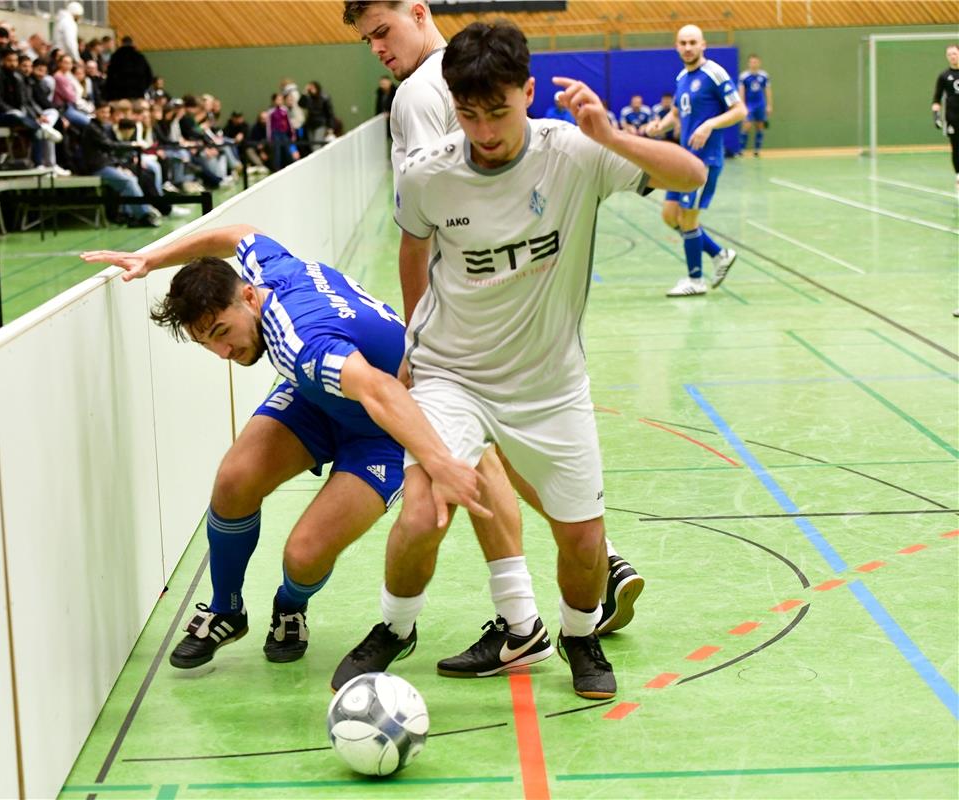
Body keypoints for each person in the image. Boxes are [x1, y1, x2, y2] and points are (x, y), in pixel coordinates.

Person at [330, 20, 705, 699]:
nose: (485, 131)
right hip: (454, 373)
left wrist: (612, 137)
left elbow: (693, 174)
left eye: (498, 111)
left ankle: (580, 635)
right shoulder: (427, 175)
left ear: (529, 91)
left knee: (585, 541)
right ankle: (395, 626)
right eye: (468, 114)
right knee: (422, 510)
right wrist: (413, 344)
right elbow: (413, 249)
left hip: (551, 383)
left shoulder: (577, 153)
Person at [79, 227, 487, 668]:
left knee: (303, 555)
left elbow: (384, 392)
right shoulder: (270, 271)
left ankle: (290, 606)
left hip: (385, 427)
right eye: (207, 343)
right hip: (319, 396)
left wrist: (440, 462)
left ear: (249, 300)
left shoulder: (303, 343)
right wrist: (153, 259)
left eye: (222, 332)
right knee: (235, 479)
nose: (223, 352)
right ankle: (225, 609)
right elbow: (237, 234)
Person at [643, 24, 744, 297]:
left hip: (704, 161)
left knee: (688, 219)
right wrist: (658, 127)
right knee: (669, 215)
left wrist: (709, 124)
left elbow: (739, 110)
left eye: (692, 42)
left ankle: (695, 280)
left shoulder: (714, 73)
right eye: (683, 43)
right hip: (684, 160)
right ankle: (719, 253)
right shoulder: (681, 78)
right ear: (677, 46)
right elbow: (675, 114)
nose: (688, 47)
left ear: (703, 45)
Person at [931, 43, 959, 188]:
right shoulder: (943, 76)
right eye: (949, 55)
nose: (952, 57)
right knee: (956, 148)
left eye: (954, 53)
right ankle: (958, 176)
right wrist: (936, 116)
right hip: (953, 118)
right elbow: (936, 99)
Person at [738, 54, 772, 157]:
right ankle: (741, 149)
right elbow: (741, 91)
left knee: (760, 126)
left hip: (760, 104)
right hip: (749, 105)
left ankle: (757, 149)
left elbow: (768, 91)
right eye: (752, 62)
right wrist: (742, 106)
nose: (754, 64)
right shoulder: (744, 76)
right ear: (749, 63)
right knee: (746, 125)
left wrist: (769, 105)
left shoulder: (764, 76)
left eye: (755, 62)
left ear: (759, 63)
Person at [299, 81, 335, 154]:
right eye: (310, 88)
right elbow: (301, 104)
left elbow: (329, 113)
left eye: (313, 87)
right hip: (310, 124)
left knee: (316, 146)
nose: (312, 89)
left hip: (320, 124)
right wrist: (304, 93)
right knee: (312, 146)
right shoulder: (309, 98)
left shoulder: (324, 98)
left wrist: (330, 127)